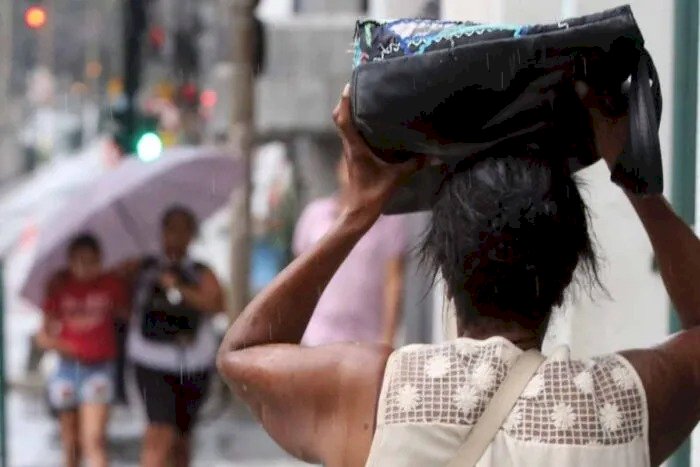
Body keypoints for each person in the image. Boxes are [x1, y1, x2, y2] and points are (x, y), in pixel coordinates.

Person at [217, 83, 700, 467]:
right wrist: (635, 183)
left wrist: (357, 214)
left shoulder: (372, 394)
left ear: (444, 268)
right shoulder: (621, 408)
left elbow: (242, 355)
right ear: (570, 271)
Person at [122, 205, 224, 467]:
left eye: (184, 229)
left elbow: (216, 304)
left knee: (181, 439)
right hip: (151, 362)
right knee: (159, 433)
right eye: (171, 229)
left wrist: (178, 286)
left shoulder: (200, 271)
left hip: (192, 364)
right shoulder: (144, 268)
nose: (177, 236)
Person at [293, 155, 407, 345]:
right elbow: (297, 278)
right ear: (339, 166)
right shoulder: (314, 215)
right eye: (348, 160)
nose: (353, 169)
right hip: (316, 337)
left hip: (365, 340)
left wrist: (387, 340)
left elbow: (393, 282)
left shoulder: (389, 221)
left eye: (361, 163)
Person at [38, 233, 128, 467]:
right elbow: (43, 336)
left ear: (100, 260)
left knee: (94, 441)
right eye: (79, 261)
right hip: (66, 368)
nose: (85, 268)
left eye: (91, 261)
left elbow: (128, 314)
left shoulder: (111, 284)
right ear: (69, 261)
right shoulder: (59, 286)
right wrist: (62, 346)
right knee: (70, 443)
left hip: (99, 368)